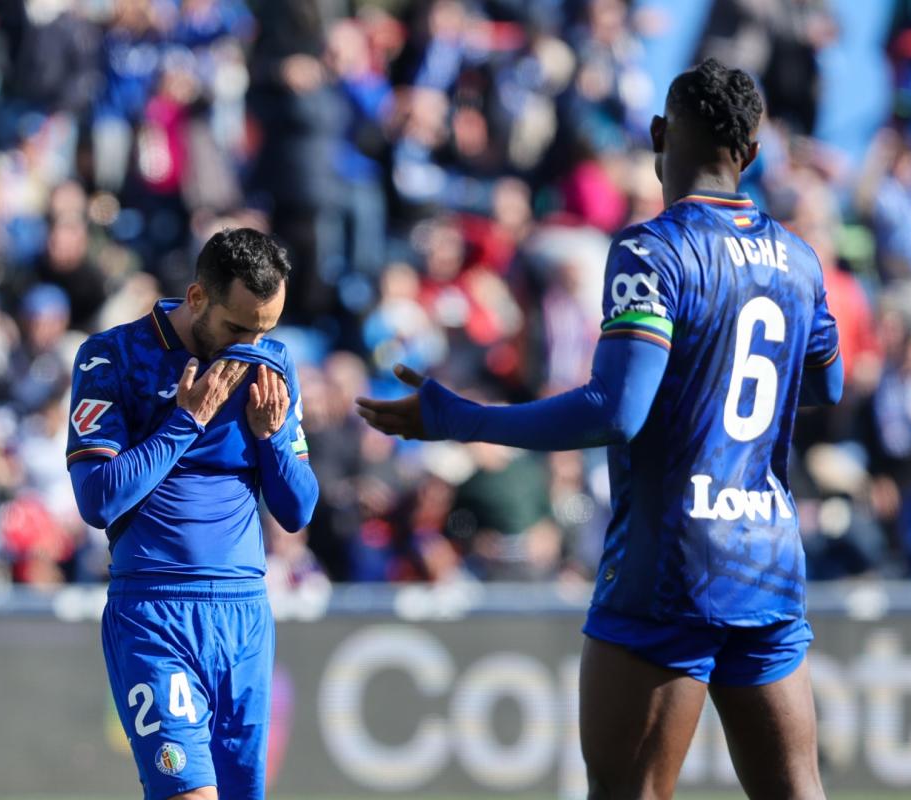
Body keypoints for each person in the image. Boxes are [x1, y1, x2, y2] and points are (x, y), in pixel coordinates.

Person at [356, 58, 842, 799]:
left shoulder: (654, 250)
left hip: (672, 562)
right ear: (751, 151)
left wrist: (464, 419)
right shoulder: (799, 259)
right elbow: (828, 383)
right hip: (767, 556)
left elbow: (617, 410)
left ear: (657, 134)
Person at [66, 228, 318, 800]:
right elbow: (97, 499)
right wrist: (187, 420)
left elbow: (298, 509)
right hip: (155, 614)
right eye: (238, 329)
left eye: (265, 330)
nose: (250, 345)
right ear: (198, 298)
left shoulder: (271, 364)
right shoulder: (113, 357)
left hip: (245, 617)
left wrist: (273, 437)